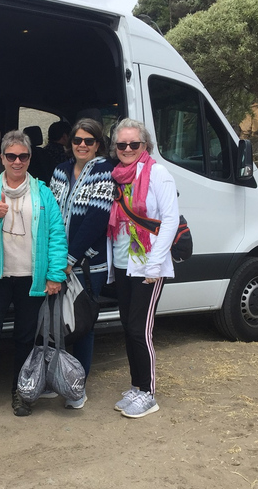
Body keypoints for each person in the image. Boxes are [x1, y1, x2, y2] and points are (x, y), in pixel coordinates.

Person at [0, 130, 68, 421]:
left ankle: (21, 391)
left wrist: (55, 274)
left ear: (29, 157)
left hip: (31, 278)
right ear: (2, 158)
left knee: (25, 337)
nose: (17, 161)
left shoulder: (43, 192)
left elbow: (57, 235)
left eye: (23, 156)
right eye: (11, 156)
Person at [107, 118, 178, 419]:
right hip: (124, 264)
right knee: (127, 326)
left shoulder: (158, 173)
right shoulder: (119, 177)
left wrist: (155, 264)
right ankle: (136, 386)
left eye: (133, 144)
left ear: (144, 146)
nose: (127, 149)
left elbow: (170, 220)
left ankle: (148, 393)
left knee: (140, 329)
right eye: (121, 145)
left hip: (148, 266)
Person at [49, 117, 114, 409]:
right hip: (57, 261)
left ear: (98, 144)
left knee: (82, 323)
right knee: (53, 321)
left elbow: (97, 219)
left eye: (89, 141)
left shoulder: (105, 171)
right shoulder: (60, 172)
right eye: (78, 140)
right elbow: (50, 213)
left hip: (88, 265)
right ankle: (55, 377)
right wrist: (54, 256)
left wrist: (70, 258)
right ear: (70, 142)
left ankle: (77, 385)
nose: (83, 145)